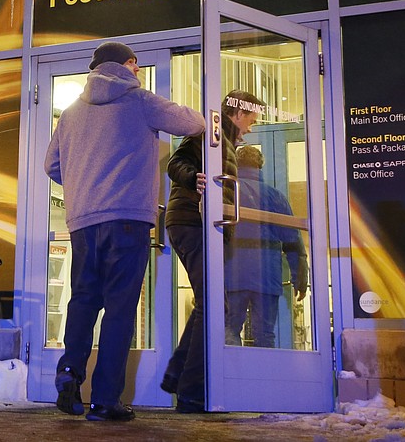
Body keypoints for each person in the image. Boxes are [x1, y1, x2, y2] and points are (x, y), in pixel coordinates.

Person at [44, 41, 205, 421]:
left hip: (83, 223)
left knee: (83, 301)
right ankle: (104, 401)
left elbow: (52, 166)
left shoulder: (70, 113)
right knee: (119, 309)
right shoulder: (141, 100)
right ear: (130, 64)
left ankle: (69, 376)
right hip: (129, 220)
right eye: (136, 66)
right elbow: (195, 124)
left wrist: (86, 181)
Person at [161, 89, 264, 413]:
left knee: (209, 303)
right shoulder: (210, 132)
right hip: (193, 221)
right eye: (252, 119)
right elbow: (176, 164)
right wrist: (196, 179)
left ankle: (179, 376)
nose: (252, 127)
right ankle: (191, 392)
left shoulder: (225, 142)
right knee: (213, 305)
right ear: (238, 113)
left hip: (201, 223)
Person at [224, 145, 309, 348]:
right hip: (267, 275)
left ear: (237, 164)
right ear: (260, 166)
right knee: (265, 334)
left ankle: (232, 377)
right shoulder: (275, 197)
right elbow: (292, 240)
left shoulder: (228, 192)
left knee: (230, 331)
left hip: (233, 274)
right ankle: (263, 376)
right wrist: (300, 278)